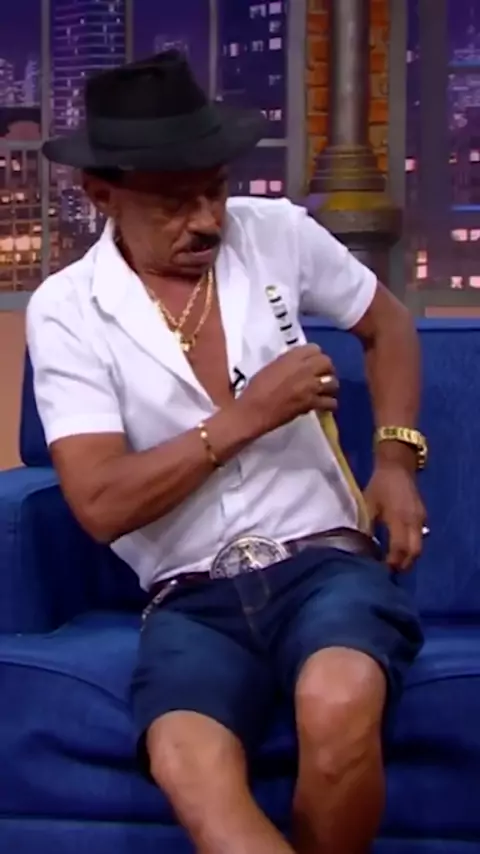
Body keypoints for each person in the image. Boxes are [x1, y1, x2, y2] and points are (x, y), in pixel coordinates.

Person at [27, 51, 426, 854]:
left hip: (323, 564)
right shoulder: (67, 310)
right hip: (189, 597)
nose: (208, 220)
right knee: (187, 761)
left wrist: (394, 458)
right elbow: (100, 504)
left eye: (214, 189)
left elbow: (388, 325)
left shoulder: (275, 233)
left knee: (338, 699)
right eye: (175, 204)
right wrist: (248, 416)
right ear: (101, 195)